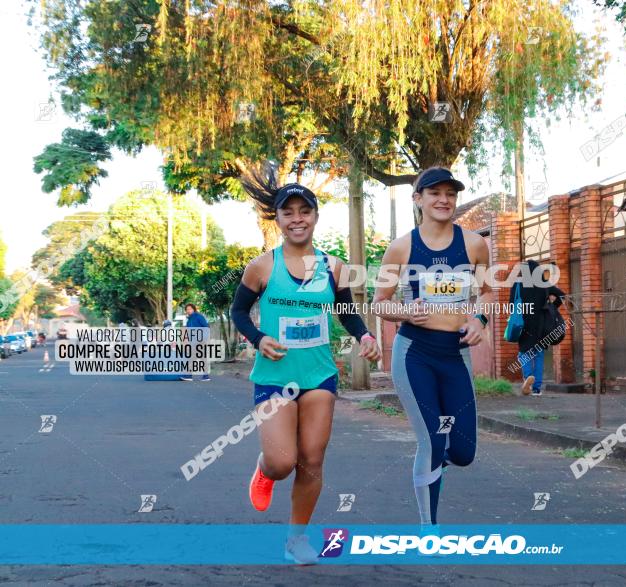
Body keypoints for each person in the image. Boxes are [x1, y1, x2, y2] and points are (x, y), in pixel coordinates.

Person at [231, 166, 381, 564]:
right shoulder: (262, 266)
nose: (297, 218)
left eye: (304, 211)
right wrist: (259, 338)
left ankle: (296, 539)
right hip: (275, 376)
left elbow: (347, 312)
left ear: (315, 216)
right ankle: (264, 470)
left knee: (312, 459)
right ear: (277, 220)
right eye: (288, 212)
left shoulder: (333, 267)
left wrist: (365, 335)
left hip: (319, 375)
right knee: (283, 462)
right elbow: (239, 312)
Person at [373, 166, 493, 533]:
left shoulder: (474, 244)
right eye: (435, 193)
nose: (444, 200)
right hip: (415, 355)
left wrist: (479, 321)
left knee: (463, 452)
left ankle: (438, 461)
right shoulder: (402, 247)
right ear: (418, 199)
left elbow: (487, 292)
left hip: (455, 355)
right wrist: (406, 310)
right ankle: (429, 528)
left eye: (450, 193)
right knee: (432, 441)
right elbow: (380, 302)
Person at [511, 260, 565, 396]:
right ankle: (536, 389)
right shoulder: (544, 284)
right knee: (539, 354)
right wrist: (552, 307)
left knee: (524, 353)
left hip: (523, 323)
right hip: (542, 325)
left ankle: (528, 377)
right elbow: (562, 295)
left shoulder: (517, 284)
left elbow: (512, 304)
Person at [180, 304, 211, 382]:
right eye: (187, 309)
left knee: (196, 358)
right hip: (193, 342)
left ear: (194, 309)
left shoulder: (199, 317)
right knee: (197, 358)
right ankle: (204, 376)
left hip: (200, 341)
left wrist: (203, 339)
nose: (188, 311)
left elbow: (206, 327)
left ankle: (190, 375)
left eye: (190, 309)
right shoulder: (189, 320)